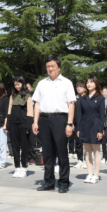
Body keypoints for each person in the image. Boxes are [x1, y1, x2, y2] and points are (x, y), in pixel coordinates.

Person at [32, 56, 76, 194]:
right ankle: (49, 182)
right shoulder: (41, 83)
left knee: (62, 152)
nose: (50, 69)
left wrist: (69, 123)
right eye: (48, 67)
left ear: (58, 67)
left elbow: (71, 104)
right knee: (47, 152)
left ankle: (63, 182)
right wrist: (35, 122)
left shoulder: (66, 83)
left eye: (52, 66)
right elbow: (37, 103)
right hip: (44, 119)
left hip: (60, 119)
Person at [76, 76, 106, 184]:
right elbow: (79, 114)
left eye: (91, 82)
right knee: (87, 152)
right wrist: (78, 128)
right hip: (85, 125)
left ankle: (96, 175)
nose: (89, 84)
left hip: (95, 125)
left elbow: (102, 115)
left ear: (96, 84)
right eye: (87, 82)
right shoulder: (82, 98)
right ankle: (89, 174)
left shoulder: (100, 98)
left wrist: (100, 130)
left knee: (96, 152)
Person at [5, 76, 33, 178]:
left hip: (23, 123)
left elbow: (30, 111)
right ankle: (17, 167)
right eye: (15, 84)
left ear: (23, 84)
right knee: (15, 146)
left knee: (24, 146)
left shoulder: (28, 96)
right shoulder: (12, 96)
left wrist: (28, 126)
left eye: (19, 84)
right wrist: (7, 124)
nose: (17, 86)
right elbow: (9, 111)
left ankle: (24, 167)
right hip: (13, 123)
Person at [72, 82, 86, 169]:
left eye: (81, 87)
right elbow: (73, 112)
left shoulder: (87, 98)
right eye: (77, 87)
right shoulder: (74, 99)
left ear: (85, 88)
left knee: (86, 143)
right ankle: (80, 160)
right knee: (78, 142)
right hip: (76, 123)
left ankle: (86, 161)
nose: (79, 88)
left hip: (86, 123)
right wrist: (72, 123)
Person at [100, 86, 107, 166]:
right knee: (103, 141)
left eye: (106, 92)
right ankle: (104, 156)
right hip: (102, 123)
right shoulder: (100, 100)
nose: (104, 93)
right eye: (103, 92)